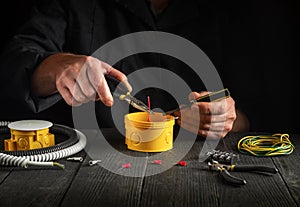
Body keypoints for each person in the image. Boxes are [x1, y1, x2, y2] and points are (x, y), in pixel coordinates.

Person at [0, 0, 250, 139]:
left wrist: (222, 118)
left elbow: (249, 114)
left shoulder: (225, 11)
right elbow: (14, 62)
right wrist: (57, 66)